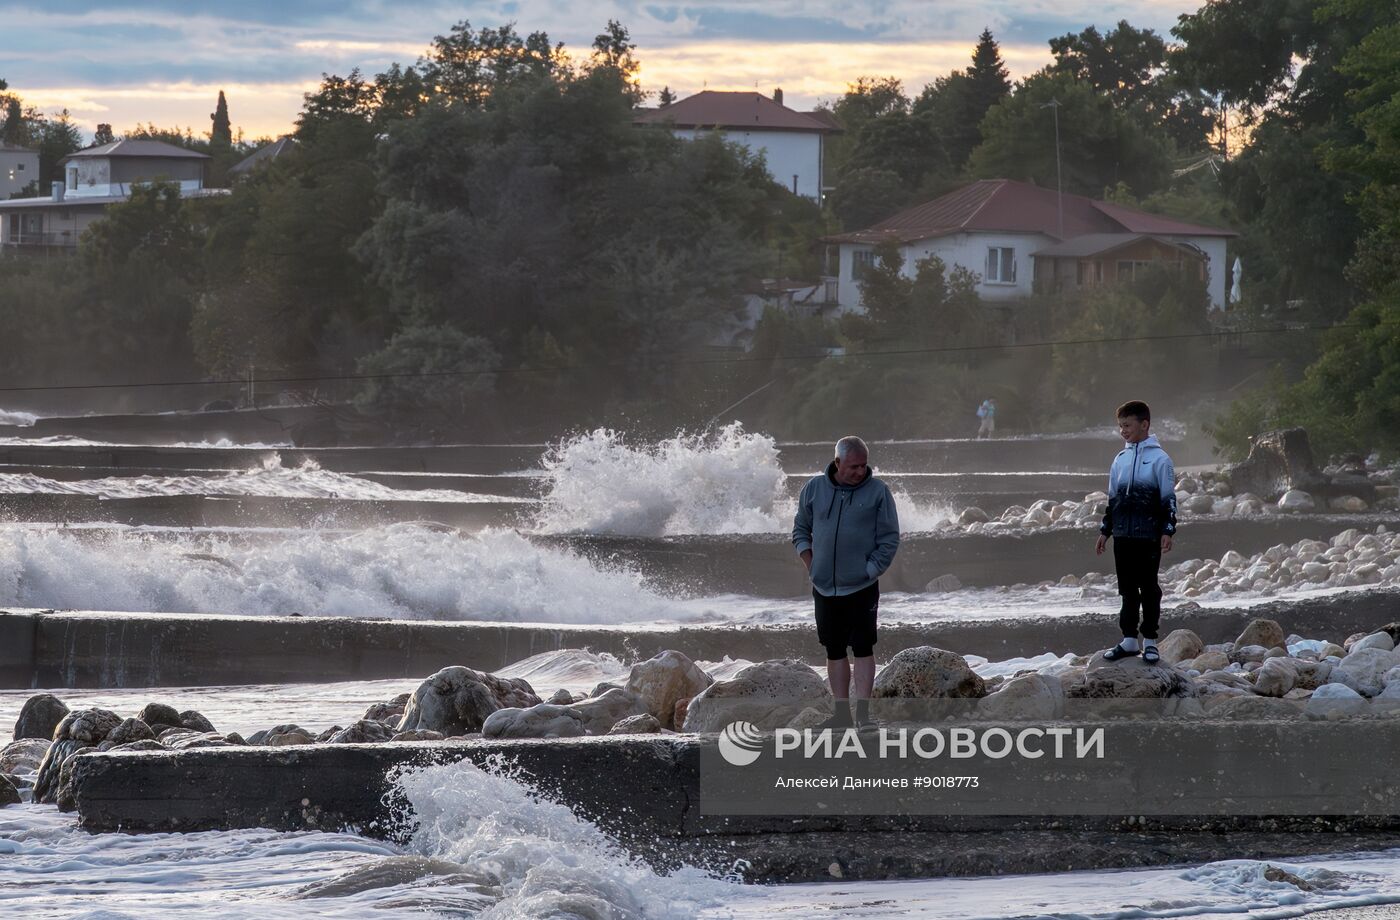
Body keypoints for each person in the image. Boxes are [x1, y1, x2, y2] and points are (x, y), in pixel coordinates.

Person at [792, 436, 900, 728]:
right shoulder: (814, 488)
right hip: (824, 586)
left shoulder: (878, 492)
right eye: (853, 466)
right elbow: (800, 528)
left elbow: (889, 538)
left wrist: (871, 569)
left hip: (862, 586)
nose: (860, 472)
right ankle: (841, 715)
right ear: (837, 463)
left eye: (864, 466)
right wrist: (811, 562)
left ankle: (863, 715)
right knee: (834, 649)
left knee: (863, 648)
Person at [1095, 400, 1176, 664]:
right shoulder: (1120, 459)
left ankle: (1150, 641)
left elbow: (1168, 499)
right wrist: (1105, 531)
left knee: (1149, 588)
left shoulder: (1161, 460)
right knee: (1127, 589)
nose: (1123, 431)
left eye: (1127, 425)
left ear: (1144, 424)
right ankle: (1129, 640)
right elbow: (1113, 499)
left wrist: (1167, 530)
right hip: (1123, 535)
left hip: (1148, 535)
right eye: (1120, 426)